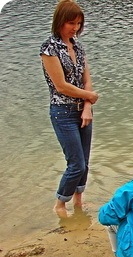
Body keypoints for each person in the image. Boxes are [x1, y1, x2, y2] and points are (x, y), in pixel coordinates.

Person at [40, 0, 99, 218]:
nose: (75, 28)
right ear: (60, 21)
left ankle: (78, 201)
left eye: (78, 23)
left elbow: (87, 79)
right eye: (70, 23)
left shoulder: (77, 45)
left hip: (82, 110)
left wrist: (87, 106)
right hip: (62, 112)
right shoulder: (49, 48)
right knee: (76, 163)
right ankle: (59, 204)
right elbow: (61, 86)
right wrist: (90, 97)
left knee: (85, 161)